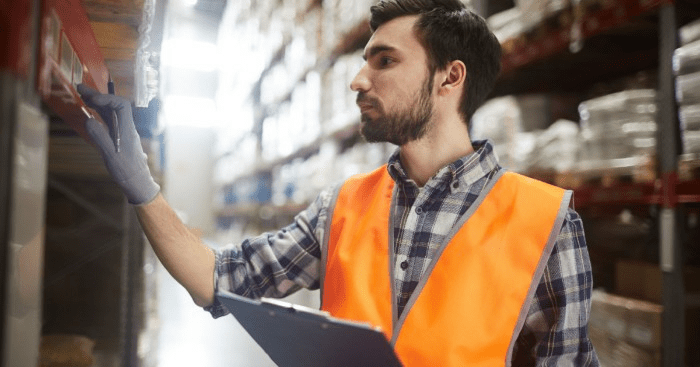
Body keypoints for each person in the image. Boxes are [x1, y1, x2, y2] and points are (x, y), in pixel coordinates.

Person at [78, 0, 599, 365]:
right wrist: (144, 189)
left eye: (385, 61)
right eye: (363, 61)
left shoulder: (546, 221)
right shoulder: (346, 206)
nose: (358, 80)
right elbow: (219, 280)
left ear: (450, 77)